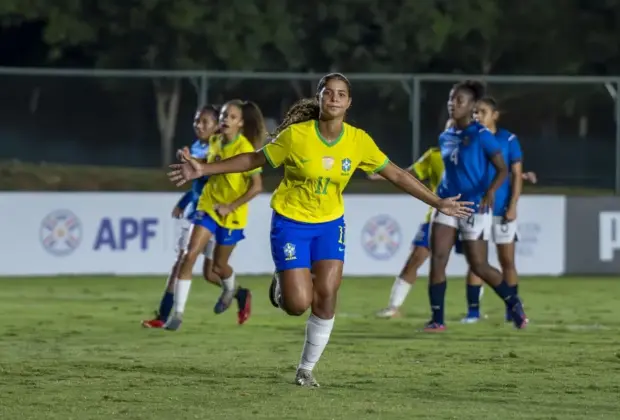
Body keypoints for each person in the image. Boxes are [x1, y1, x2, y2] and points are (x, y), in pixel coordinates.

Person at [168, 73, 473, 387]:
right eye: (329, 93)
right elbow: (254, 159)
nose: (335, 99)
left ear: (349, 102)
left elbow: (395, 173)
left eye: (342, 94)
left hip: (329, 225)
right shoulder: (296, 136)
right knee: (297, 304)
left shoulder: (358, 141)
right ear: (320, 98)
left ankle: (305, 369)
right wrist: (203, 168)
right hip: (290, 222)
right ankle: (281, 286)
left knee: (327, 293)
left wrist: (438, 201)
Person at [426, 80, 527, 332]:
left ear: (472, 106)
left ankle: (513, 301)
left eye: (459, 100)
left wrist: (490, 190)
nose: (452, 104)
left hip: (473, 206)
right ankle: (437, 320)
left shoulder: (482, 135)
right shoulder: (445, 135)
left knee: (478, 265)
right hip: (448, 202)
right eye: (451, 99)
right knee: (438, 259)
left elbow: (503, 169)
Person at [164, 99, 267, 330]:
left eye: (231, 116)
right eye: (223, 115)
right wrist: (192, 161)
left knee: (217, 269)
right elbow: (208, 163)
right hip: (208, 205)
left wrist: (231, 206)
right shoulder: (215, 141)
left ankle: (232, 289)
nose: (225, 120)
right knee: (189, 255)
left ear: (240, 122)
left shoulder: (246, 150)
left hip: (232, 215)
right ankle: (177, 314)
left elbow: (257, 187)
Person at [142, 105, 220, 329]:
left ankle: (239, 293)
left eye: (205, 121)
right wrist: (184, 201)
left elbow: (210, 174)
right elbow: (197, 183)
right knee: (182, 261)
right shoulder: (196, 147)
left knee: (214, 272)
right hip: (196, 215)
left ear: (216, 125)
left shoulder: (219, 149)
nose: (200, 125)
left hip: (216, 215)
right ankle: (165, 315)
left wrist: (191, 159)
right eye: (197, 121)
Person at [461, 97, 538, 323]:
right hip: (477, 208)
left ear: (495, 115)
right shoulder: (470, 137)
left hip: (502, 209)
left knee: (507, 261)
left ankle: (511, 309)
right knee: (477, 262)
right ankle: (473, 312)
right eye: (474, 112)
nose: (477, 116)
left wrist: (513, 205)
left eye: (482, 112)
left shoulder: (508, 139)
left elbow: (515, 173)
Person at [370, 146, 444, 318]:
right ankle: (394, 307)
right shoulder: (434, 155)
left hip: (470, 213)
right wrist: (385, 174)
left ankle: (474, 312)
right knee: (416, 258)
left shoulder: (476, 149)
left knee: (477, 263)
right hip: (437, 216)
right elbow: (410, 174)